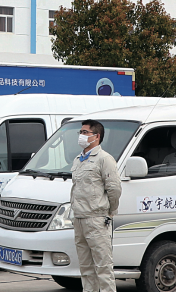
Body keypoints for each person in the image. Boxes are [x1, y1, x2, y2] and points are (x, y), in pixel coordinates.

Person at [70, 119, 122, 292]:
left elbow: (114, 189)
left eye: (85, 132)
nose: (81, 136)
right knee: (86, 269)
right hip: (79, 219)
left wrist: (110, 211)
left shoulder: (104, 159)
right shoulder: (78, 159)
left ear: (96, 136)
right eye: (81, 132)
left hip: (96, 219)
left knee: (103, 268)